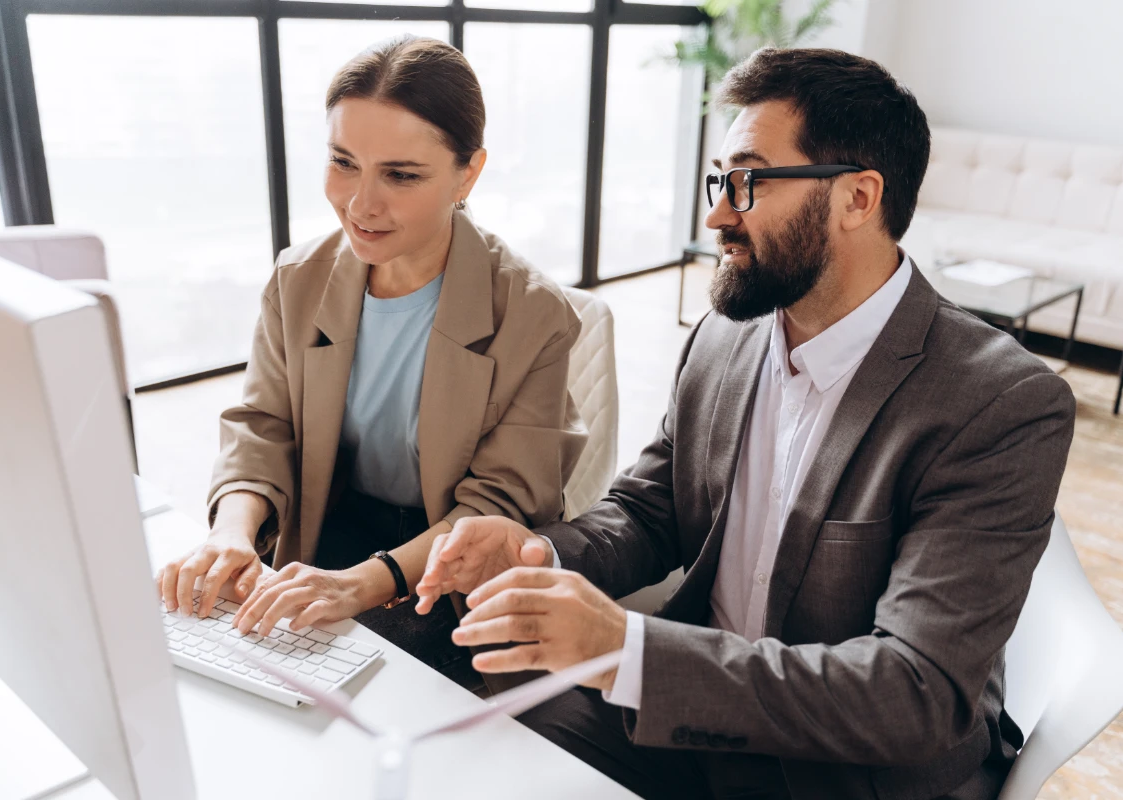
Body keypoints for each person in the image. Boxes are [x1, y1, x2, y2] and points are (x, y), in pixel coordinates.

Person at [414, 48, 1076, 798]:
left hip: (854, 771)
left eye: (749, 181)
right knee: (473, 754)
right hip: (694, 721)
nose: (716, 213)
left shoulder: (998, 403)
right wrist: (539, 554)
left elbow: (912, 691)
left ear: (858, 198)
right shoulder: (727, 337)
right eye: (719, 180)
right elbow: (649, 510)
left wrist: (624, 650)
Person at [156, 35, 587, 692]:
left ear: (467, 174)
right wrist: (232, 532)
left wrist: (364, 583)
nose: (361, 204)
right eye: (344, 163)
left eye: (401, 174)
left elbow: (496, 505)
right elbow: (263, 425)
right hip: (328, 521)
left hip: (440, 565)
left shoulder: (534, 315)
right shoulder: (299, 279)